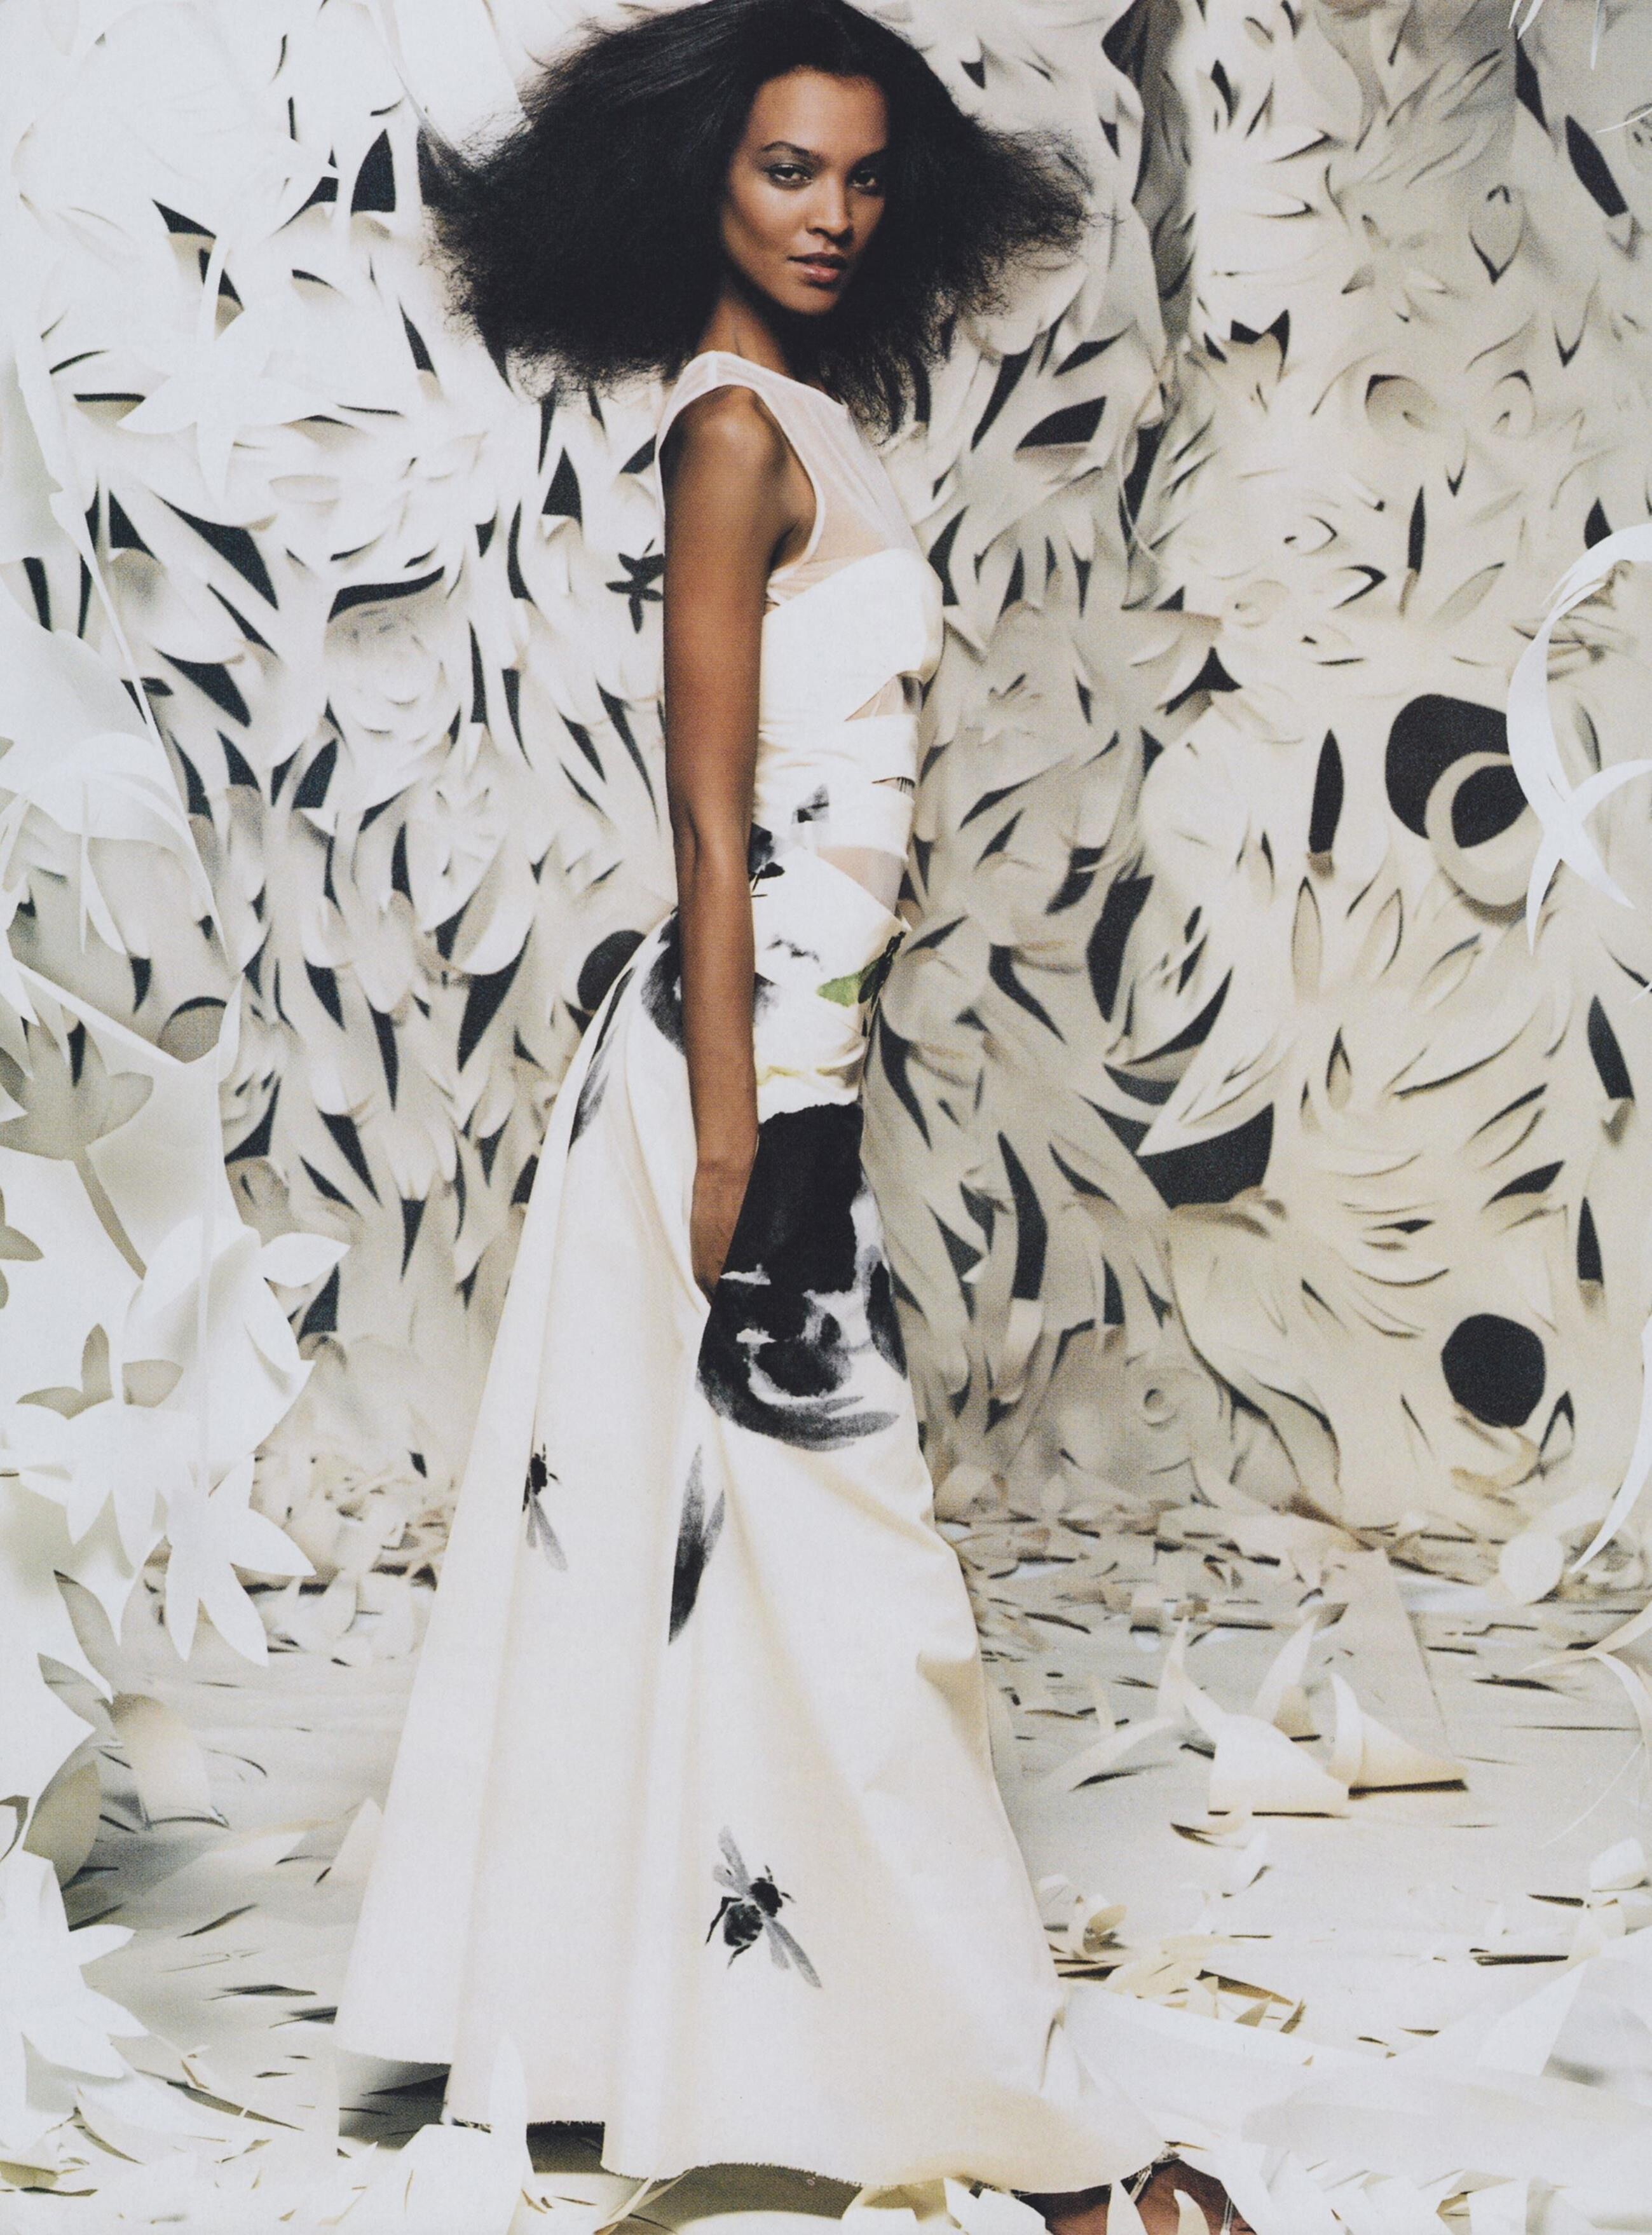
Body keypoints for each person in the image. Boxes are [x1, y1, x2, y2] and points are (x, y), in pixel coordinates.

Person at [334, 4, 1241, 2228]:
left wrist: (797, 1095)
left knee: (744, 1578)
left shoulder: (814, 418)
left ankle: (680, 2038)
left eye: (860, 175)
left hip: (785, 1069)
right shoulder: (730, 434)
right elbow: (712, 818)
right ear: (704, 186)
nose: (832, 214)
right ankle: (1050, 2143)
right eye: (784, 171)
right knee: (859, 1595)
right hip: (736, 1086)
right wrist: (750, 1139)